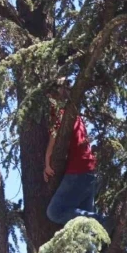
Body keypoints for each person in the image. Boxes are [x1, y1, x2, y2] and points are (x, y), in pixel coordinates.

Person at [44, 98, 107, 231]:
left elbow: (53, 141)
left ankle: (102, 221)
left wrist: (47, 163)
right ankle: (91, 251)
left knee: (55, 212)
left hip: (79, 171)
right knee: (86, 231)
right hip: (90, 171)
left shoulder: (60, 115)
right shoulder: (75, 116)